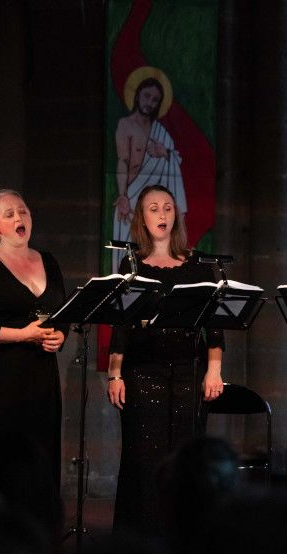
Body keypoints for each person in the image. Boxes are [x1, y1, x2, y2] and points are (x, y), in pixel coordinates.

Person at [106, 183, 224, 535]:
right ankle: (141, 542)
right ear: (142, 218)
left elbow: (215, 327)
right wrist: (115, 374)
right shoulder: (131, 265)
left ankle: (185, 539)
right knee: (144, 460)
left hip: (190, 370)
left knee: (186, 460)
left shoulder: (199, 265)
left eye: (168, 207)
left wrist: (214, 370)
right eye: (153, 208)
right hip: (142, 372)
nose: (162, 214)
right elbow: (121, 327)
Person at [0, 189, 67, 494]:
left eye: (23, 211)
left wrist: (60, 335)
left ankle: (37, 528)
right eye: (9, 214)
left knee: (38, 453)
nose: (19, 217)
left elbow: (62, 313)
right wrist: (22, 335)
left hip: (40, 374)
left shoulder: (49, 261)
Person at [112, 75, 187, 271]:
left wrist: (165, 153)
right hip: (132, 197)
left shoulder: (160, 132)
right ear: (137, 97)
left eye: (155, 100)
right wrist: (123, 195)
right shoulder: (126, 125)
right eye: (147, 96)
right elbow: (123, 160)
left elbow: (174, 160)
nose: (150, 103)